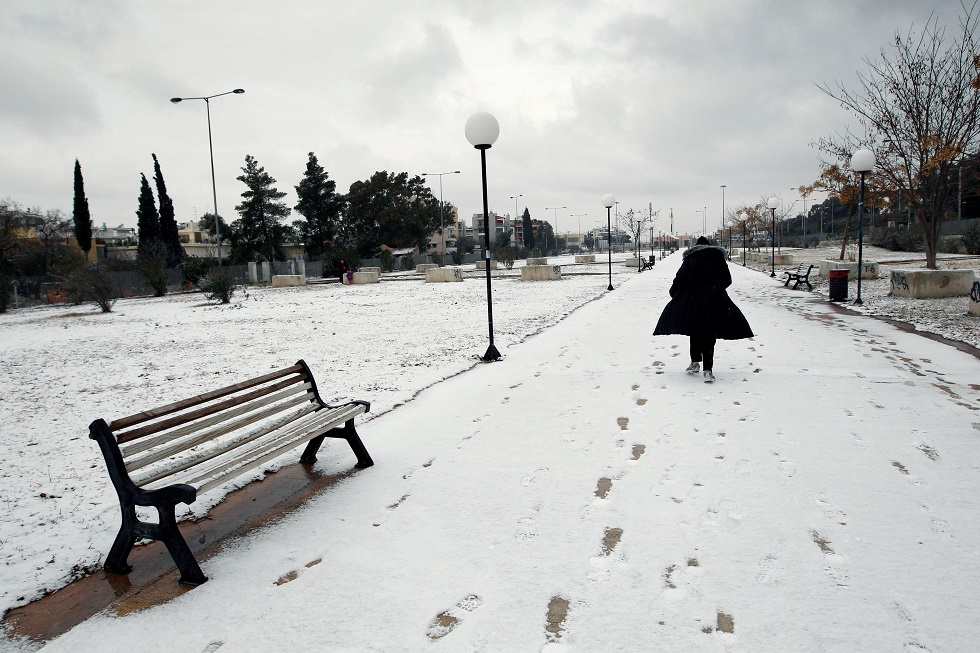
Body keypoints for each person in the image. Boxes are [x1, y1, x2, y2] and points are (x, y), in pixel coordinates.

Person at [653, 236, 753, 383]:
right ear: (709, 246)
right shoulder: (718, 258)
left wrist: (677, 295)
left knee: (694, 330)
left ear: (696, 246)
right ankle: (708, 369)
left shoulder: (690, 258)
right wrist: (715, 289)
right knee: (710, 332)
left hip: (693, 300)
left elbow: (679, 279)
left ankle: (694, 362)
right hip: (714, 299)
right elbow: (727, 279)